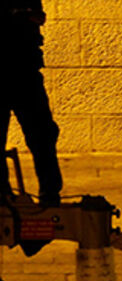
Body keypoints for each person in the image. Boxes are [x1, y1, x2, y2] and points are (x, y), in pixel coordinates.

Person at [2, 0, 62, 205]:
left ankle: (50, 196)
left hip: (25, 71)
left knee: (43, 135)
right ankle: (4, 200)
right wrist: (20, 16)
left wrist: (27, 16)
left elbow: (35, 16)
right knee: (42, 134)